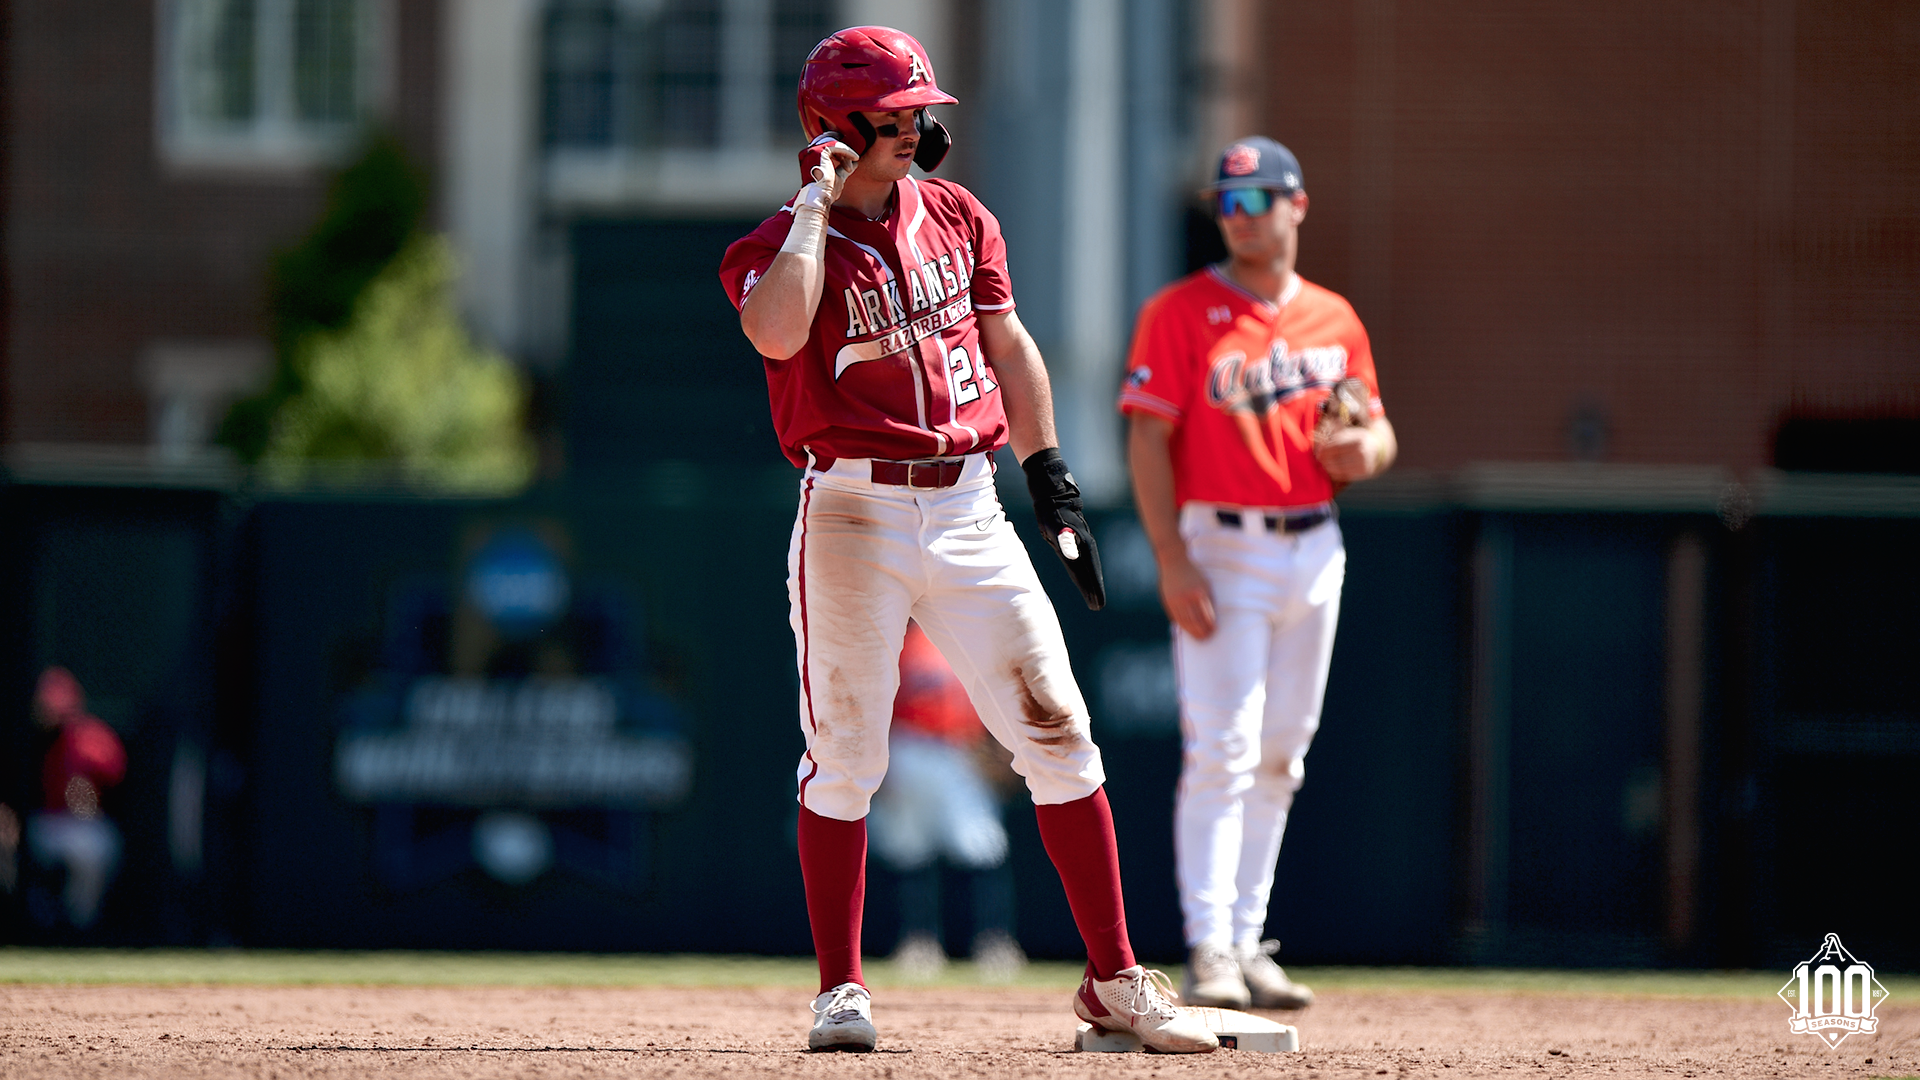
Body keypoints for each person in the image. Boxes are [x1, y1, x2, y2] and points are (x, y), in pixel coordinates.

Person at [719, 25, 1215, 1055]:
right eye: (895, 118)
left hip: (969, 503)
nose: (917, 133)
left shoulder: (957, 215)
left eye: (918, 117)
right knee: (846, 755)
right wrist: (816, 200)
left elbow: (1008, 344)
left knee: (1056, 730)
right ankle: (841, 992)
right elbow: (774, 330)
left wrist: (1053, 479)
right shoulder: (778, 245)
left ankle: (1114, 978)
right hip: (852, 509)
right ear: (832, 128)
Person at [1119, 137, 1397, 1010]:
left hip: (1316, 542)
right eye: (1226, 204)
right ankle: (1209, 950)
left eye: (1254, 200)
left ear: (1296, 205)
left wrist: (1367, 450)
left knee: (1282, 754)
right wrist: (1171, 555)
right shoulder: (1179, 310)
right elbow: (1146, 436)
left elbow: (1376, 434)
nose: (1238, 218)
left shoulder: (1335, 319)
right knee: (1223, 751)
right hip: (1221, 542)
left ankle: (1248, 940)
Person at [869, 621, 1025, 982]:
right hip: (909, 745)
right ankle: (917, 943)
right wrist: (880, 760)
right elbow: (877, 703)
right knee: (907, 847)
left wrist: (1001, 749)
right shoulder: (897, 640)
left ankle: (994, 942)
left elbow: (996, 699)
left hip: (962, 749)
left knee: (981, 845)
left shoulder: (966, 633)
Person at [25, 666, 128, 930]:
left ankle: (78, 927)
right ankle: (41, 920)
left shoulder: (90, 737)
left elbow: (115, 774)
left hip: (84, 824)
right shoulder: (29, 738)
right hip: (44, 824)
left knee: (94, 850)